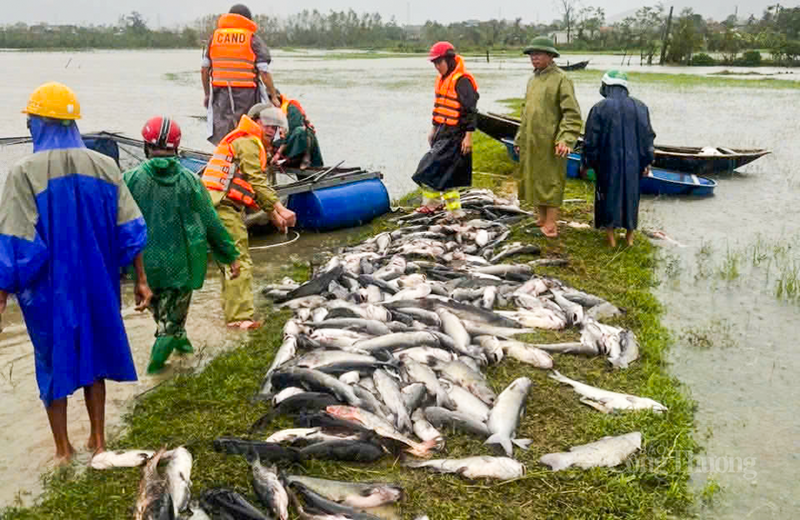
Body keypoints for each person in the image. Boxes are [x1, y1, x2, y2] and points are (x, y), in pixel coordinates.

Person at [0, 82, 151, 463]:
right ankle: (99, 441)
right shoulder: (106, 166)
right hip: (98, 284)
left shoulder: (23, 173)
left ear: (40, 123)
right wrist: (143, 281)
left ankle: (63, 449)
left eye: (32, 120)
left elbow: (16, 242)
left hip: (50, 290)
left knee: (52, 362)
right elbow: (130, 228)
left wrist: (2, 293)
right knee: (96, 356)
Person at [124, 117, 243, 373]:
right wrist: (231, 255)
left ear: (146, 146)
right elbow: (211, 222)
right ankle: (152, 377)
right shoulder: (189, 181)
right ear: (177, 147)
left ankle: (188, 357)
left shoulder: (130, 180)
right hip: (182, 266)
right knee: (170, 327)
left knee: (169, 322)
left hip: (145, 268)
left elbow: (114, 222)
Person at [201, 107, 297, 330]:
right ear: (254, 121)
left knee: (228, 261)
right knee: (239, 259)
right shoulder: (248, 141)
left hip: (213, 207)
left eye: (276, 128)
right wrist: (281, 209)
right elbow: (257, 181)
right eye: (268, 125)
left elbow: (252, 190)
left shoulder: (245, 142)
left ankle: (231, 313)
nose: (272, 131)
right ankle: (239, 319)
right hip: (223, 207)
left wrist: (274, 215)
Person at [514, 37, 583, 238]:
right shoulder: (533, 79)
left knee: (551, 180)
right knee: (534, 178)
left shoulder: (562, 79)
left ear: (551, 56)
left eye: (539, 54)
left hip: (552, 141)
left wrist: (566, 139)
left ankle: (551, 226)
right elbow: (525, 111)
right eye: (531, 54)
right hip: (531, 139)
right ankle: (541, 220)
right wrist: (519, 138)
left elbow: (572, 114)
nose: (534, 58)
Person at [581, 71, 656, 247]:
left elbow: (591, 141)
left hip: (607, 163)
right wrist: (647, 162)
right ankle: (629, 238)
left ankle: (611, 239)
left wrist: (586, 164)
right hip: (633, 162)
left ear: (606, 86)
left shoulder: (599, 108)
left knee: (607, 196)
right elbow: (647, 137)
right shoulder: (640, 107)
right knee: (631, 196)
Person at [412, 41, 479, 217]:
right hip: (443, 131)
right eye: (434, 63)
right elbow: (439, 107)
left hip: (456, 134)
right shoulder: (442, 80)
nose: (436, 67)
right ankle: (447, 210)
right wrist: (433, 129)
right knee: (443, 172)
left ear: (449, 60)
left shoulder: (463, 81)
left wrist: (468, 137)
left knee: (429, 168)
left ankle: (441, 209)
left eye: (439, 62)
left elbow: (470, 111)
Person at [201, 4, 280, 145]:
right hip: (247, 93)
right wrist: (273, 96)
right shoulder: (252, 39)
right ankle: (246, 157)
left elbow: (204, 70)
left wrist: (207, 94)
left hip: (220, 93)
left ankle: (224, 157)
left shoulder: (214, 38)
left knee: (223, 128)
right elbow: (264, 71)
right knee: (247, 127)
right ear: (248, 20)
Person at [272, 91, 324, 170]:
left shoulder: (292, 109)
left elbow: (292, 131)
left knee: (299, 131)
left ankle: (305, 159)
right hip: (287, 142)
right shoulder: (274, 113)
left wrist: (278, 153)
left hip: (301, 141)